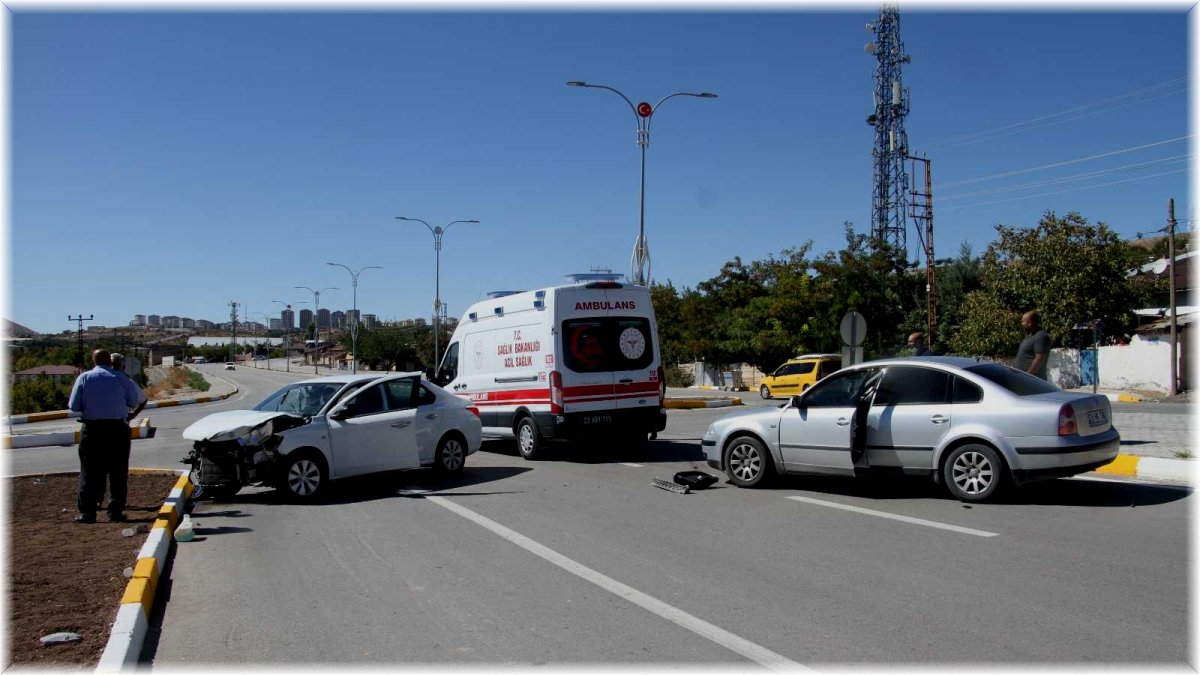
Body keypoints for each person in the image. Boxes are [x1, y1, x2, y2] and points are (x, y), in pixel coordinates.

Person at [67, 349, 143, 524]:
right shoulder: (121, 378)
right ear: (109, 361)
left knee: (89, 471)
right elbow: (133, 402)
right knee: (118, 472)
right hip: (117, 429)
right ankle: (115, 511)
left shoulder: (84, 378)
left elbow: (74, 406)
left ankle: (88, 513)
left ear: (93, 361)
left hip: (92, 430)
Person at [1013, 310, 1051, 381]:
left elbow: (1040, 358)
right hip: (1022, 379)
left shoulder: (1040, 336)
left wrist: (1027, 375)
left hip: (1032, 381)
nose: (1022, 323)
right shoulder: (1029, 336)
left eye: (1023, 321)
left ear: (1029, 322)